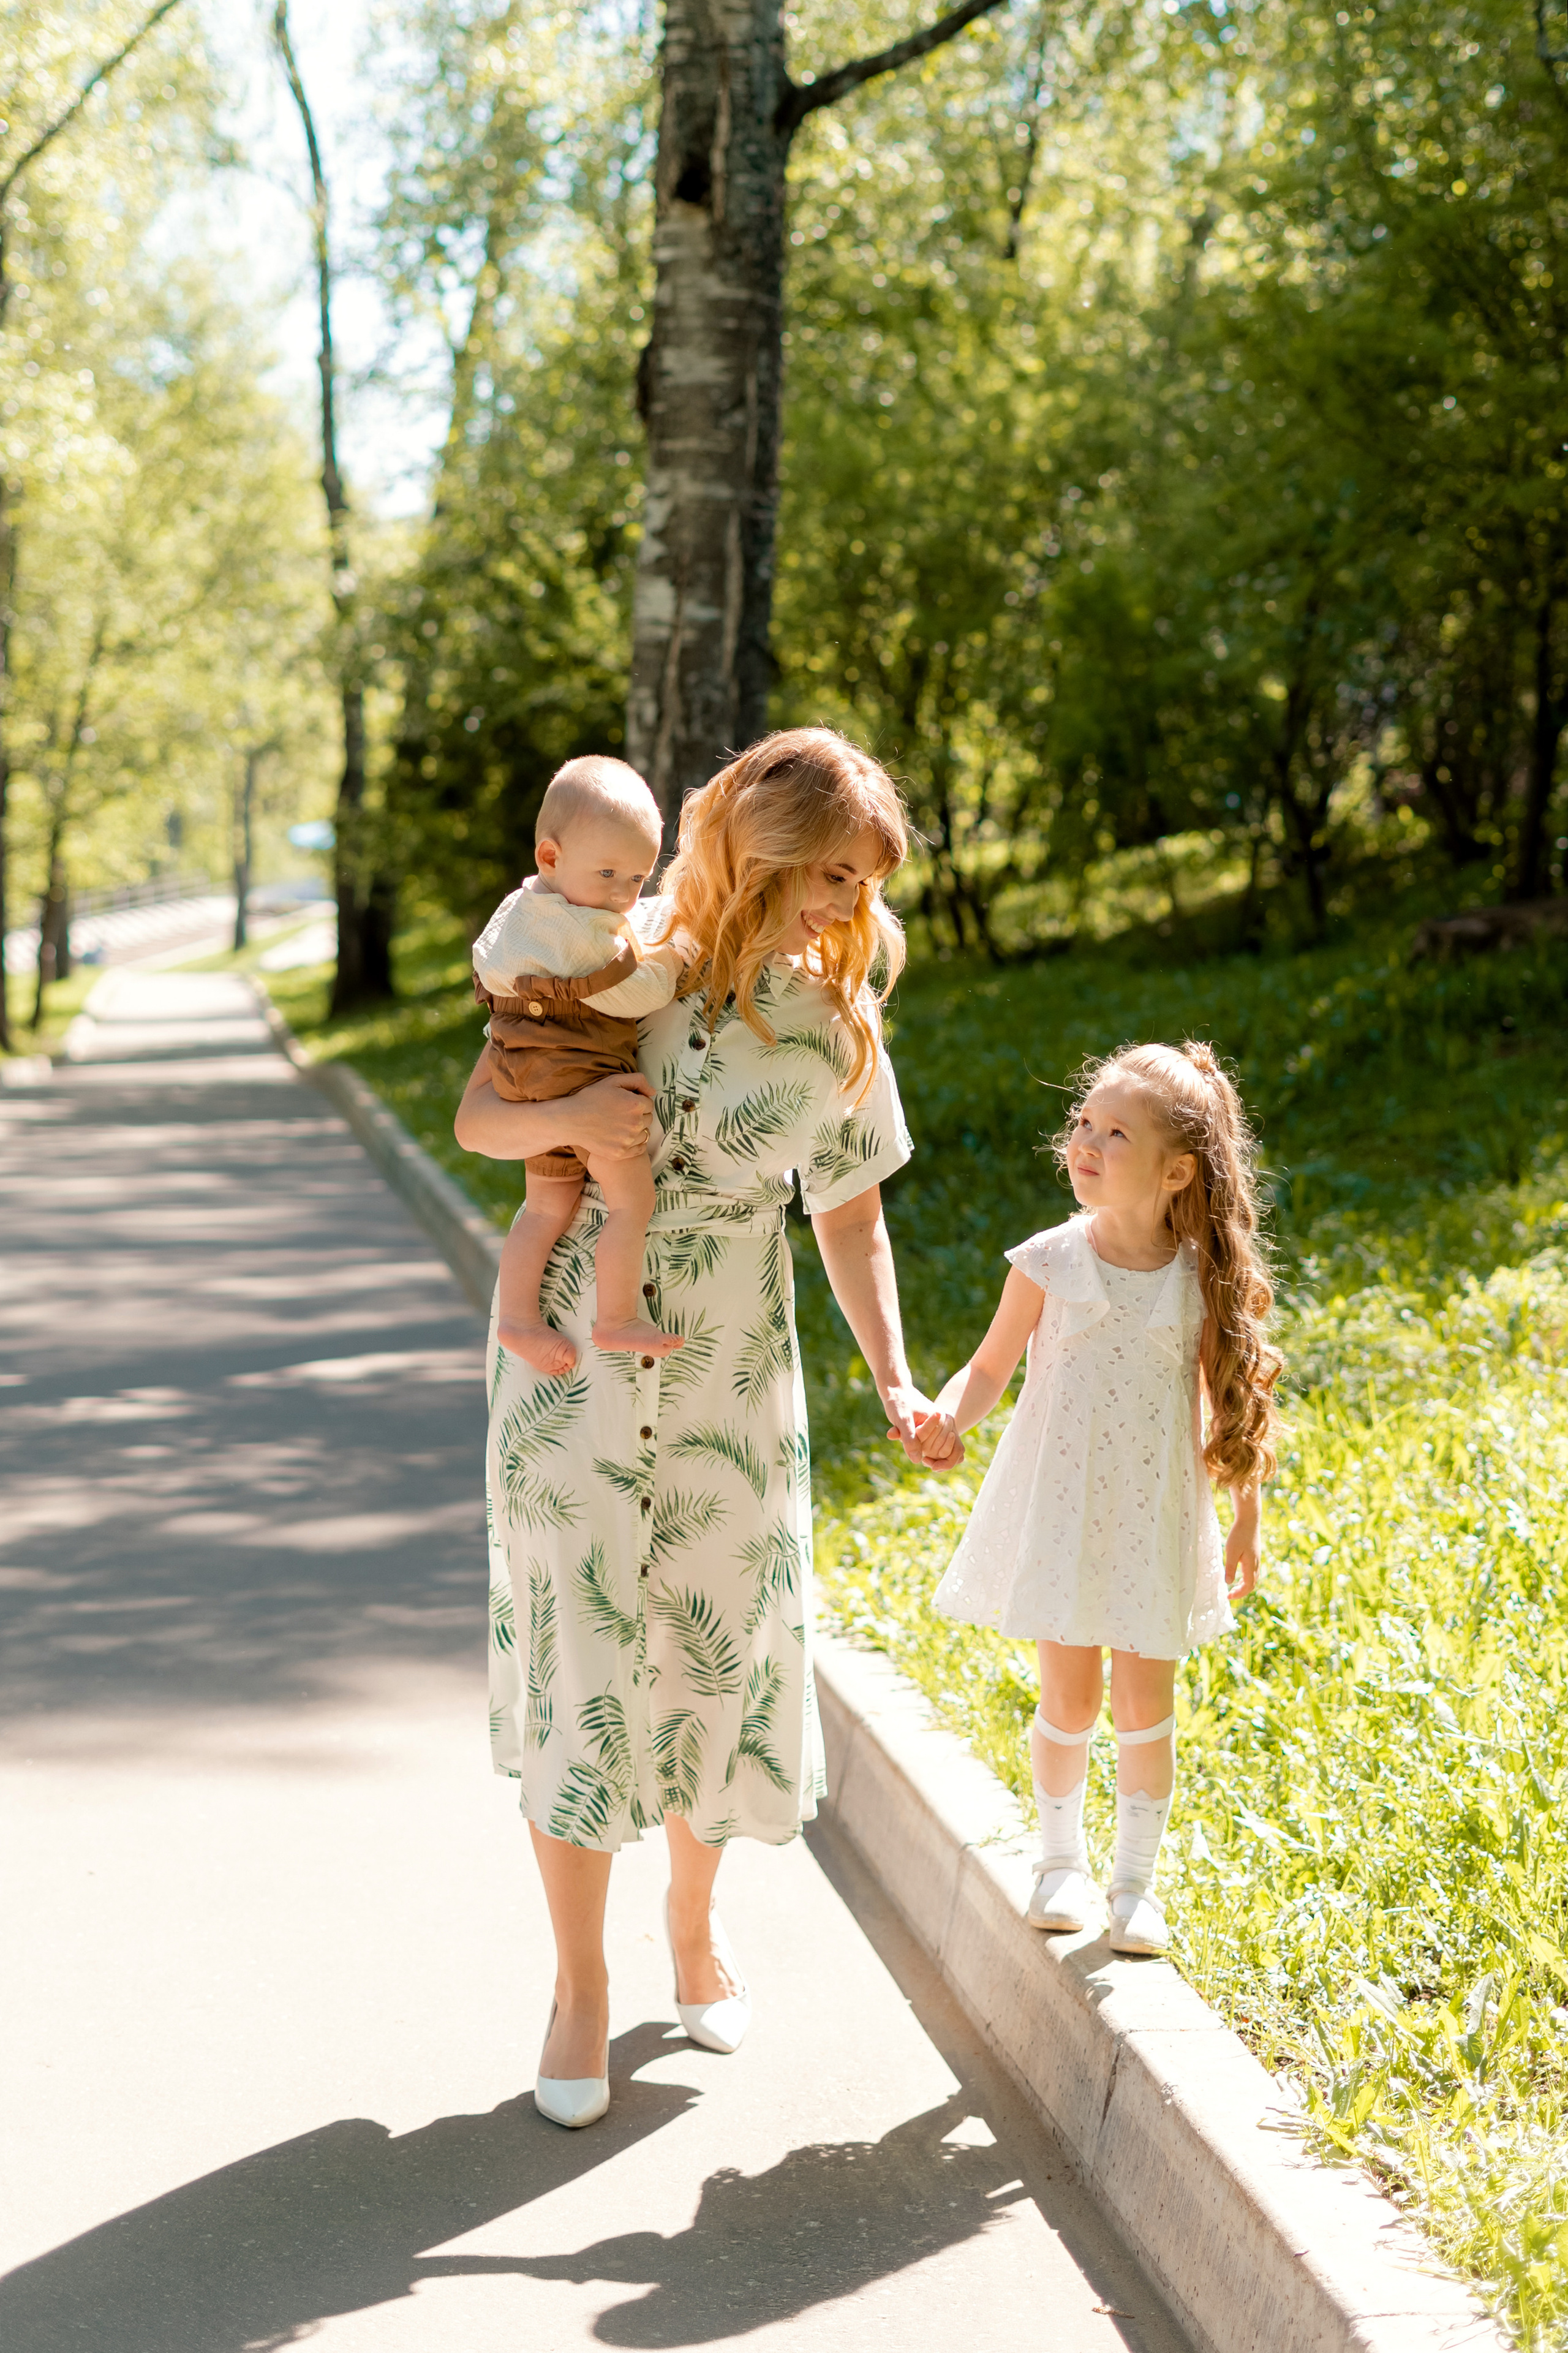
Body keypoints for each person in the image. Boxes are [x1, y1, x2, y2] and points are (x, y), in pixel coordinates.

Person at [454, 727, 937, 2128]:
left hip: (727, 1363)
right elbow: (487, 1113)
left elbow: (849, 1219)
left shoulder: (829, 1027)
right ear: (760, 849)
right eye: (828, 870)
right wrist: (587, 1106)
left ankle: (690, 1923)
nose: (847, 899)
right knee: (581, 1656)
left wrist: (897, 1378)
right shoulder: (620, 950)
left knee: (702, 1655)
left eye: (861, 877)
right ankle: (578, 1984)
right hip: (570, 1360)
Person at [915, 1043, 1281, 1957]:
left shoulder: (1198, 1279)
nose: (1086, 1142)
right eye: (1084, 1124)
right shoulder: (1049, 1260)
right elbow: (991, 1365)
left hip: (1153, 1519)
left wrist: (1244, 1519)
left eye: (1115, 1133)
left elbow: (1228, 1405)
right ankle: (1059, 1864)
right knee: (1069, 1696)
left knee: (1144, 1704)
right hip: (1063, 1509)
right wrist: (948, 1415)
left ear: (1176, 1170)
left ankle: (1136, 1886)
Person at [472, 757, 688, 1374]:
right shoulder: (578, 931)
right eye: (609, 873)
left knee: (544, 1207)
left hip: (522, 1074)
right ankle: (616, 1316)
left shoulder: (519, 910)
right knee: (630, 1200)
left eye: (638, 878)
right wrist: (671, 959)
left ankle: (515, 1317)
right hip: (576, 1072)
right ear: (549, 857)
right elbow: (633, 993)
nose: (623, 895)